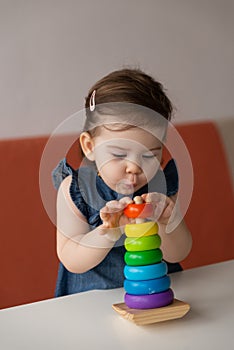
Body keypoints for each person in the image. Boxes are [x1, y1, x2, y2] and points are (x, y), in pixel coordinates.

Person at [52, 68, 192, 297]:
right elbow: (71, 259)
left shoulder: (159, 187)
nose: (135, 167)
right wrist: (108, 232)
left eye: (149, 156)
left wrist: (168, 220)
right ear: (90, 147)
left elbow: (178, 253)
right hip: (92, 299)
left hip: (156, 292)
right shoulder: (75, 189)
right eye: (119, 154)